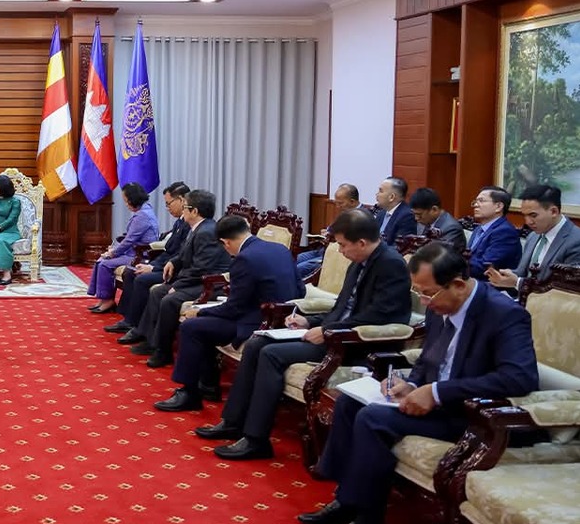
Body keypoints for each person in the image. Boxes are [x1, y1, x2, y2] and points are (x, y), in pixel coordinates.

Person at [304, 243, 537, 524]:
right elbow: (429, 359)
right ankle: (346, 501)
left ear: (458, 285)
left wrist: (437, 392)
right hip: (440, 403)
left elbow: (520, 377)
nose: (425, 302)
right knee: (349, 402)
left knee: (373, 419)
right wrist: (410, 383)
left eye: (428, 294)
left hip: (475, 416)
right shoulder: (440, 306)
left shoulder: (504, 314)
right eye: (420, 293)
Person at [197, 208, 411, 460]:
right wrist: (309, 321)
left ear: (362, 243)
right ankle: (233, 422)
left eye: (343, 245)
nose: (340, 251)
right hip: (335, 332)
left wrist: (327, 331)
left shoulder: (391, 265)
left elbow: (378, 316)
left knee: (271, 354)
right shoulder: (358, 262)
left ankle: (256, 440)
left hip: (355, 343)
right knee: (257, 342)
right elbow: (341, 308)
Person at [154, 213, 303, 412]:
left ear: (226, 242)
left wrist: (200, 312)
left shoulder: (244, 258)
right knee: (203, 327)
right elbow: (300, 290)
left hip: (254, 323)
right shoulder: (281, 249)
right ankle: (208, 385)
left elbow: (234, 308)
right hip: (283, 321)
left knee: (192, 327)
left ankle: (189, 393)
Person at [129, 189, 231, 368]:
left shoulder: (207, 232)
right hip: (196, 279)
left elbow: (201, 269)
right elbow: (184, 253)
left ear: (194, 211)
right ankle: (150, 340)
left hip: (210, 283)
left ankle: (163, 351)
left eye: (185, 207)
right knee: (157, 292)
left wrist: (177, 285)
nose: (182, 211)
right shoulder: (197, 228)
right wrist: (173, 262)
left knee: (169, 299)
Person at [108, 182, 191, 340]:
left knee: (141, 279)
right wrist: (151, 265)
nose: (167, 208)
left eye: (168, 204)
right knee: (130, 272)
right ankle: (128, 319)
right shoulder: (180, 222)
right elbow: (168, 251)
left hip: (176, 270)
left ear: (181, 200)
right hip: (166, 265)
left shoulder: (189, 225)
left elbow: (180, 256)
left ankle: (137, 326)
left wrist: (153, 268)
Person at [486, 183, 580, 291]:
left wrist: (517, 282)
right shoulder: (533, 236)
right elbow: (523, 274)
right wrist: (505, 276)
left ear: (554, 211)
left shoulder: (577, 241)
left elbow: (566, 289)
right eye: (524, 215)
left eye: (533, 215)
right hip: (521, 297)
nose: (528, 222)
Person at [86, 183, 158, 312]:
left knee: (105, 264)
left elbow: (129, 240)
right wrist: (113, 249)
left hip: (139, 255)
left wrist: (113, 253)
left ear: (132, 199)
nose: (125, 204)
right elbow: (128, 237)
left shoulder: (142, 216)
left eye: (126, 200)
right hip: (132, 251)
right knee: (101, 261)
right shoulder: (144, 210)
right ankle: (103, 299)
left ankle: (108, 300)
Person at [295, 184, 360, 278]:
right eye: (336, 203)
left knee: (298, 268)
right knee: (292, 260)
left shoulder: (362, 217)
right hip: (322, 249)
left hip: (337, 254)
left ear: (352, 202)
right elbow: (332, 229)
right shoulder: (346, 211)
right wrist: (326, 232)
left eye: (340, 203)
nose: (337, 206)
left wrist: (334, 236)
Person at [467, 186, 521, 279]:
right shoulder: (479, 229)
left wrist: (453, 264)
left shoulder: (505, 232)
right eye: (475, 201)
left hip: (491, 284)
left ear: (498, 207)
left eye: (481, 201)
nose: (475, 205)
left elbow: (485, 267)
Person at [409, 187, 467, 253]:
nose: (416, 218)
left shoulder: (451, 228)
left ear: (434, 209)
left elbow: (441, 255)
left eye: (419, 214)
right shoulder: (425, 222)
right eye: (414, 214)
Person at [372, 177, 416, 245]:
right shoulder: (381, 213)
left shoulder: (407, 216)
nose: (377, 194)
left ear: (391, 197)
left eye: (381, 191)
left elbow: (400, 247)